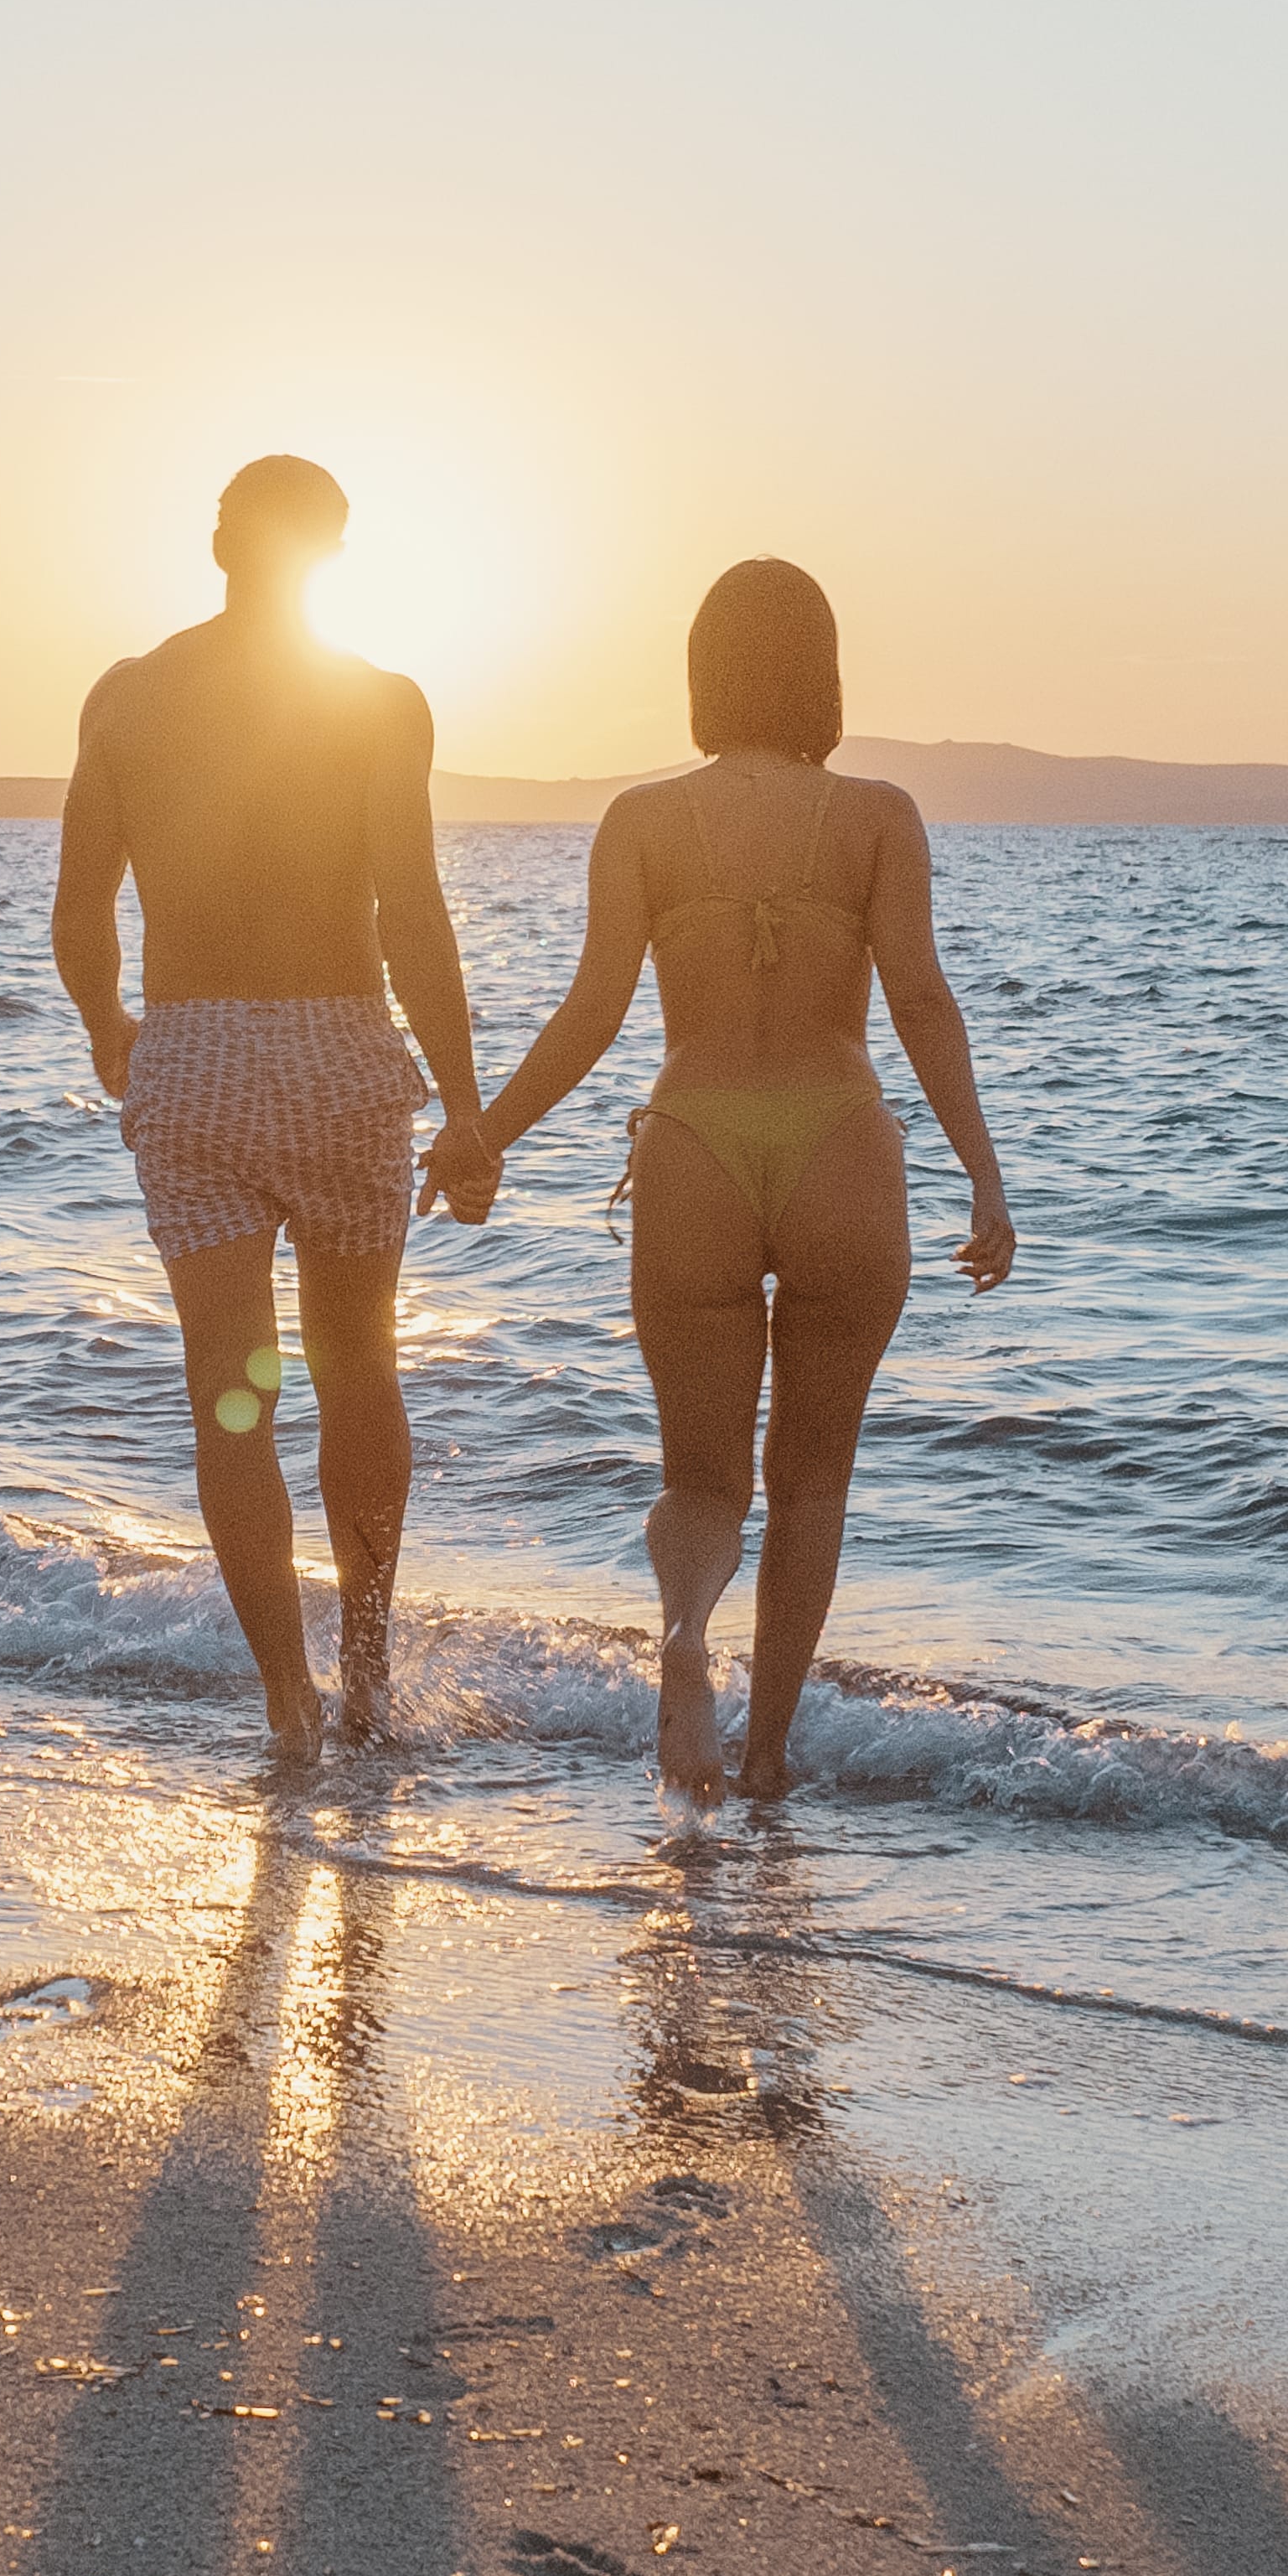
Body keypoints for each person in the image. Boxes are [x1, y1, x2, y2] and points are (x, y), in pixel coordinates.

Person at [447, 557, 1011, 1800]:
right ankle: (763, 1761)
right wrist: (982, 1174)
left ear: (702, 675)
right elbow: (918, 998)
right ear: (821, 676)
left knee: (700, 1478)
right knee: (812, 1486)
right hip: (840, 1145)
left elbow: (592, 1009)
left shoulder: (642, 820)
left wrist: (485, 1132)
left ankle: (685, 1638)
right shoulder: (878, 814)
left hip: (692, 1144)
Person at [51, 454, 494, 1761]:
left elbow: (79, 909)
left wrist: (110, 1031)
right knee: (357, 1365)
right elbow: (412, 914)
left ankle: (285, 1703)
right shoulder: (377, 703)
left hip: (189, 1053)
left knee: (229, 1392)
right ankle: (367, 1675)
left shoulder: (128, 699)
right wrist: (465, 1106)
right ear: (335, 552)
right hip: (340, 1052)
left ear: (217, 544)